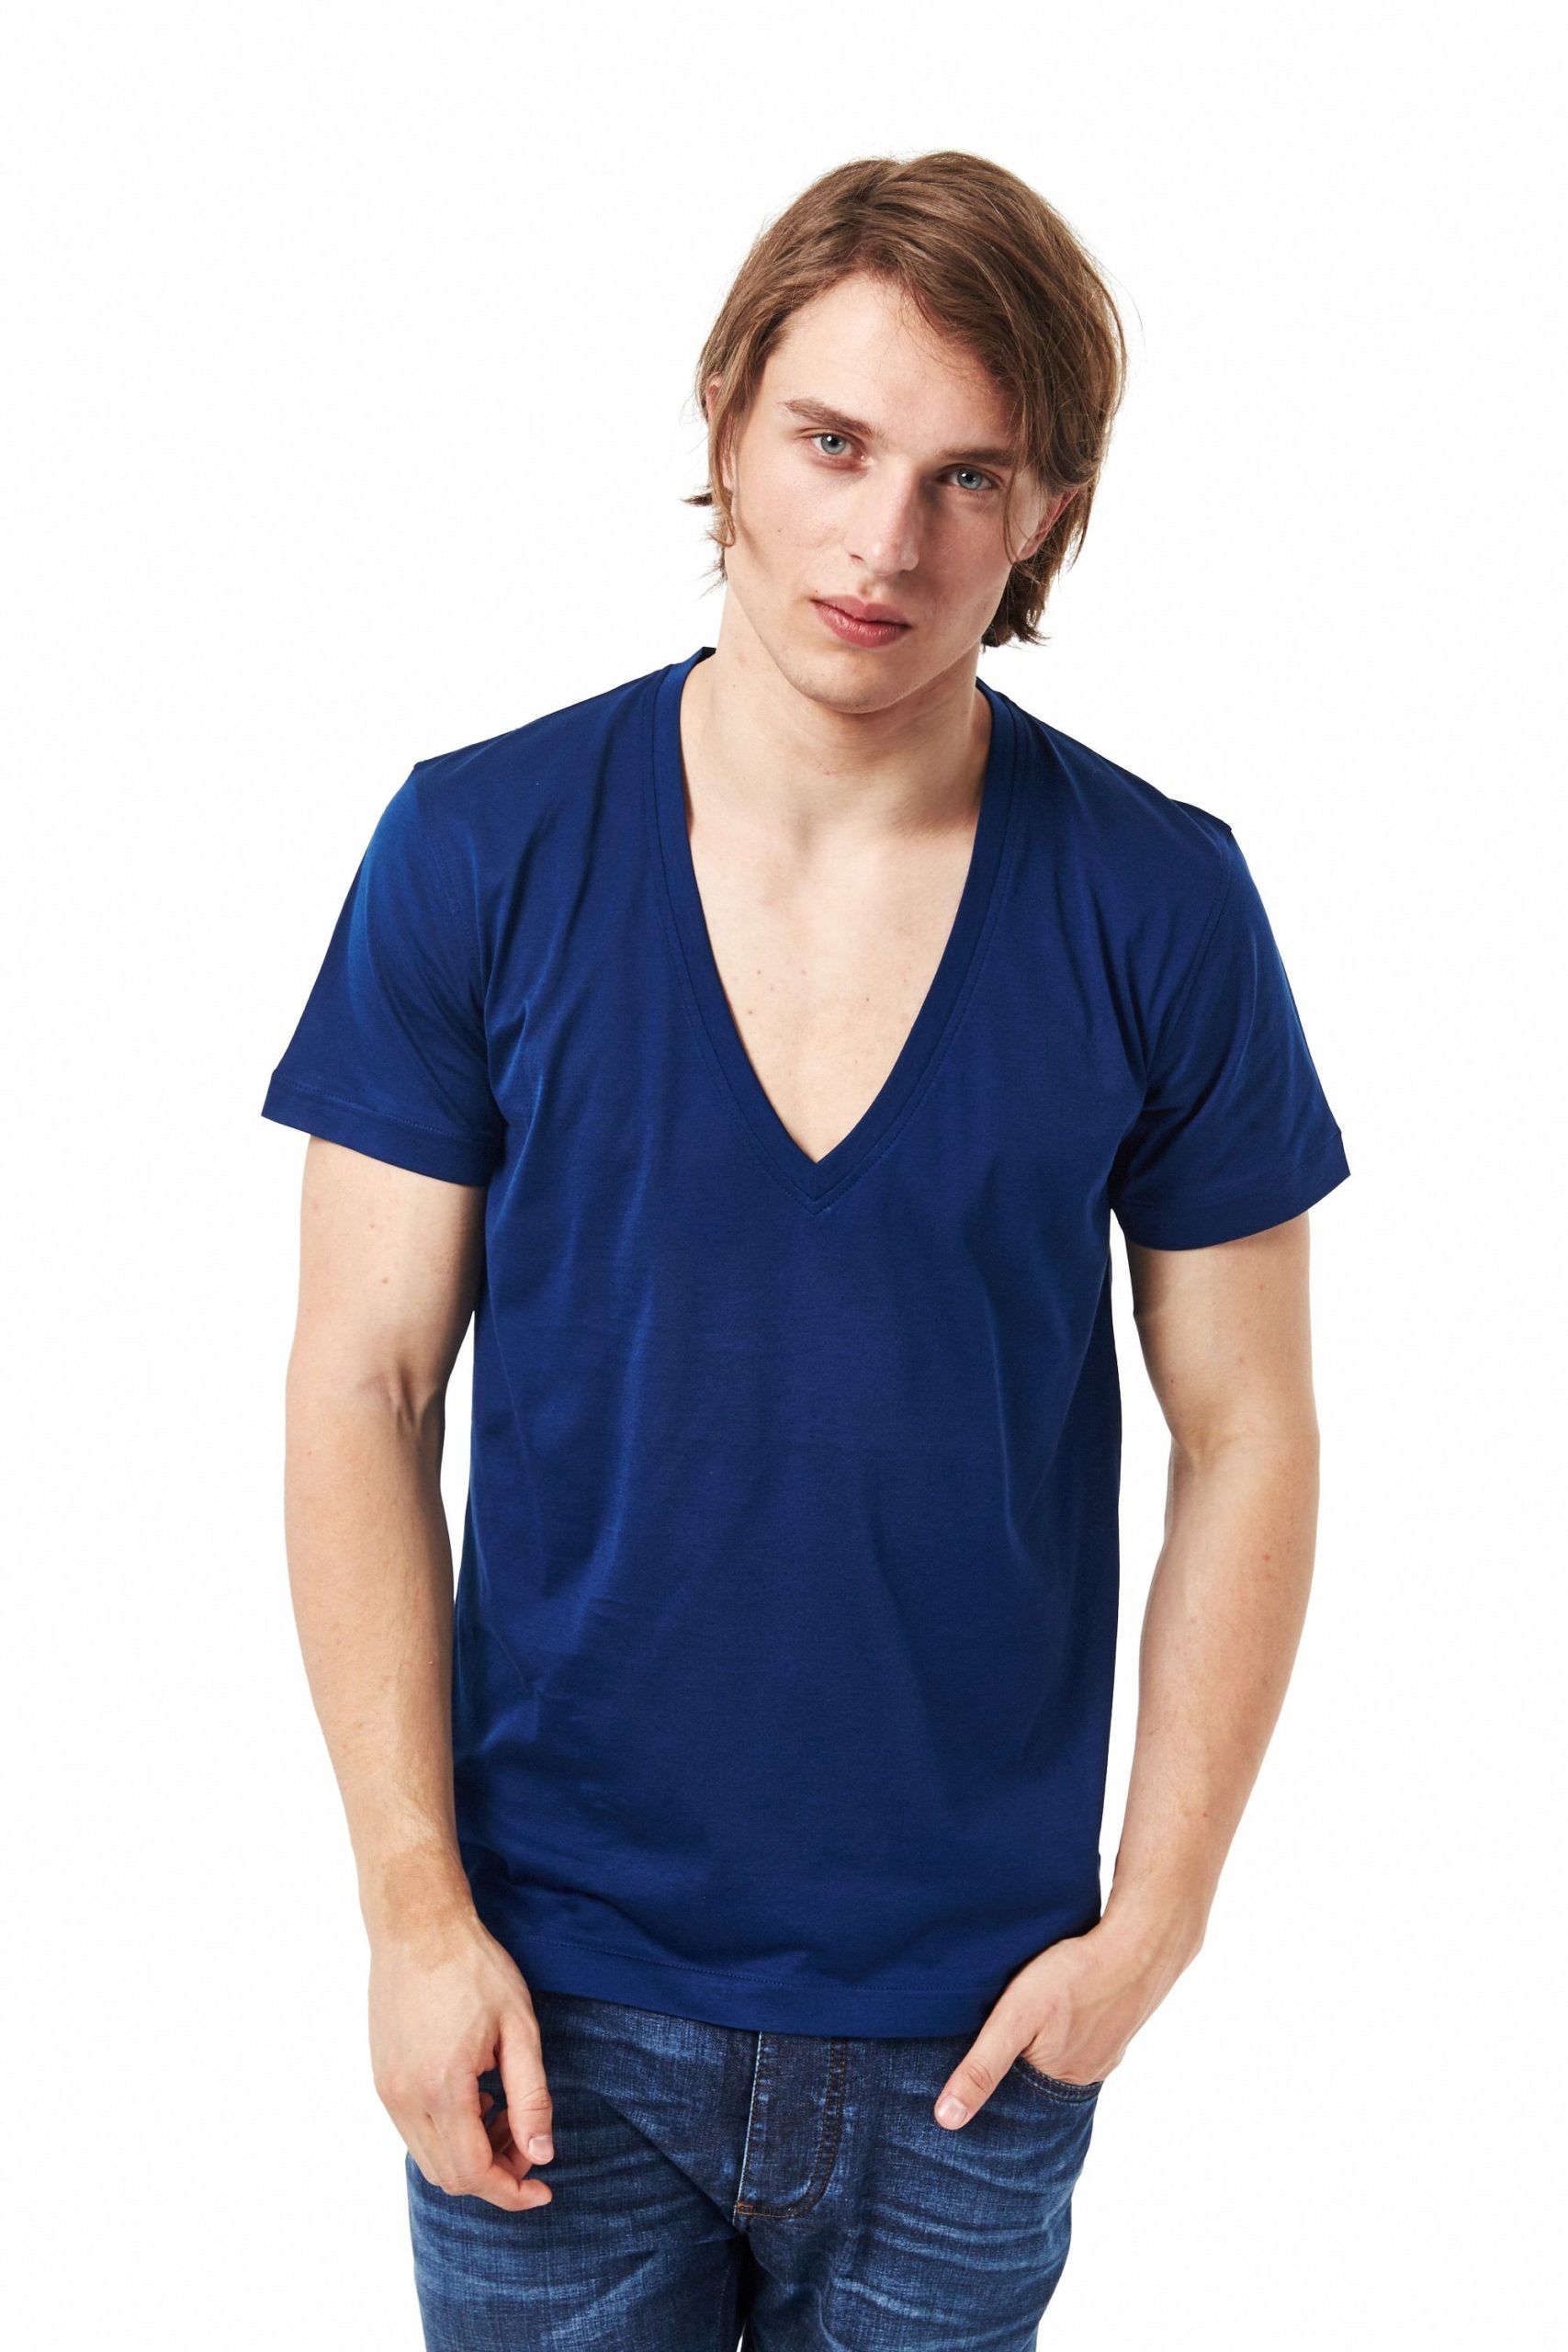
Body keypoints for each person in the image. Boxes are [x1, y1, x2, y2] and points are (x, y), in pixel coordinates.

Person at [261, 150, 1350, 2349]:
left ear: (1043, 514)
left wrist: (1154, 1920)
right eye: (832, 444)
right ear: (724, 422)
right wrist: (409, 1913)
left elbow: (1247, 1423)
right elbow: (361, 1384)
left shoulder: (1157, 901)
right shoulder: (477, 847)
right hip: (547, 2006)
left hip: (970, 2025)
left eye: (967, 477)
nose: (884, 544)